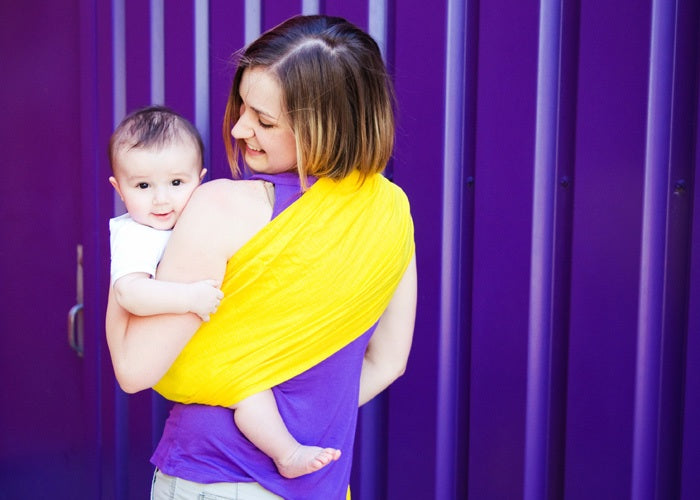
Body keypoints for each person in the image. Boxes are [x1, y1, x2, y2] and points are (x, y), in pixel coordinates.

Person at [105, 14, 417, 500]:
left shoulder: (223, 205)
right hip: (321, 482)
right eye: (243, 106)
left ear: (326, 127)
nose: (240, 127)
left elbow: (133, 368)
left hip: (213, 477)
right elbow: (389, 361)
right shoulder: (393, 211)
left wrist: (125, 252)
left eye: (265, 120)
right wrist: (296, 424)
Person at [107, 105, 341, 479]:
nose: (161, 200)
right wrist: (189, 298)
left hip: (206, 344)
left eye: (177, 184)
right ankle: (286, 452)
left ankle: (287, 452)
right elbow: (129, 294)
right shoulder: (135, 234)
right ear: (119, 189)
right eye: (143, 186)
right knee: (246, 393)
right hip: (180, 343)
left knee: (251, 394)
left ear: (198, 182)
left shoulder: (190, 218)